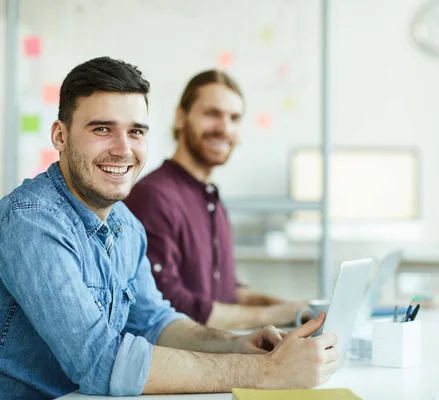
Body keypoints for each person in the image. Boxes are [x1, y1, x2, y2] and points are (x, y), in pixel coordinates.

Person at [0, 57, 338, 399]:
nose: (123, 149)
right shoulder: (31, 221)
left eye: (136, 131)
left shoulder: (126, 226)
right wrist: (267, 372)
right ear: (60, 135)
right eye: (102, 129)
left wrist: (238, 346)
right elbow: (101, 363)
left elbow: (154, 322)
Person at [125, 70, 304, 330]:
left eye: (234, 118)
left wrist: (292, 308)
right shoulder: (154, 196)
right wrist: (273, 316)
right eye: (212, 114)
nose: (224, 128)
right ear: (180, 117)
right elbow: (169, 303)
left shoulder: (212, 200)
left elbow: (226, 292)